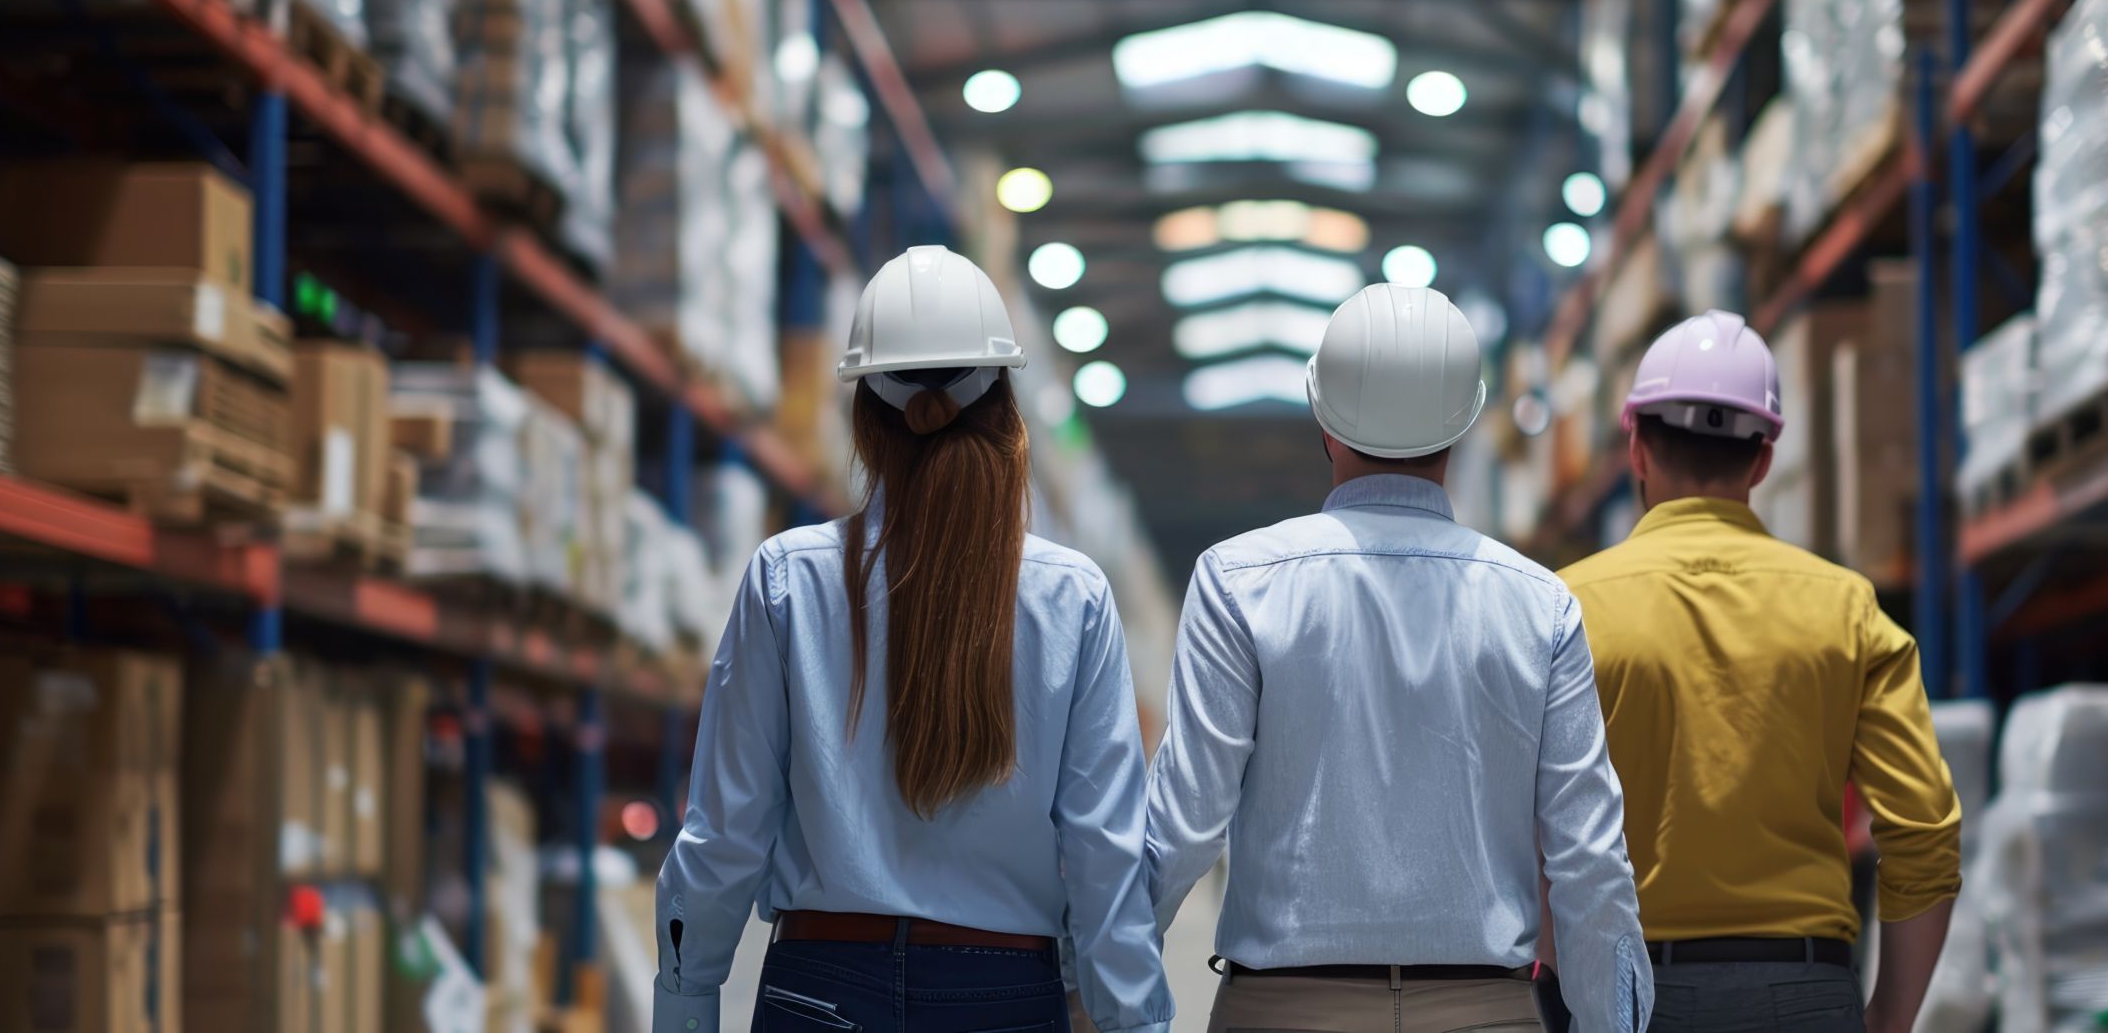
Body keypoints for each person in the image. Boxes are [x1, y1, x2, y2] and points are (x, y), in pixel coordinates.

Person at [653, 246, 1174, 1033]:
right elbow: (1106, 861)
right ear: (1007, 410)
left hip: (818, 991)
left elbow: (724, 837)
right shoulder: (1073, 599)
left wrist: (684, 1005)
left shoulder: (786, 581)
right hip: (1004, 999)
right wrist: (1135, 1022)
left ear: (866, 422)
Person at [1146, 283, 1651, 1033]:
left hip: (1283, 1012)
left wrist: (1099, 984)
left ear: (1323, 416)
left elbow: (1182, 826)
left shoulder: (1239, 583)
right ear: (1467, 423)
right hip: (1487, 1011)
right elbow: (1588, 859)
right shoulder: (1539, 605)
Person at [1553, 310, 1962, 1033]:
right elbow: (1925, 827)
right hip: (1803, 992)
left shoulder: (1566, 607)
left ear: (1636, 448)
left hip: (1625, 991)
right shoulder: (1845, 608)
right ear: (1764, 458)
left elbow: (1515, 829)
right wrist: (1890, 1019)